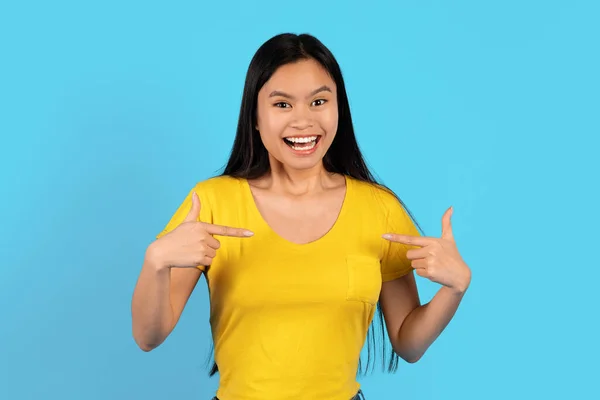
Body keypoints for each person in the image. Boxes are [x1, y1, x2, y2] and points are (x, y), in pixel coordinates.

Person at [131, 33, 472, 400]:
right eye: (282, 105)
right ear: (255, 118)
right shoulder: (213, 202)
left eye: (319, 101)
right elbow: (149, 337)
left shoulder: (379, 209)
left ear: (338, 108)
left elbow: (408, 342)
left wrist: (455, 289)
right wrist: (156, 261)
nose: (303, 121)